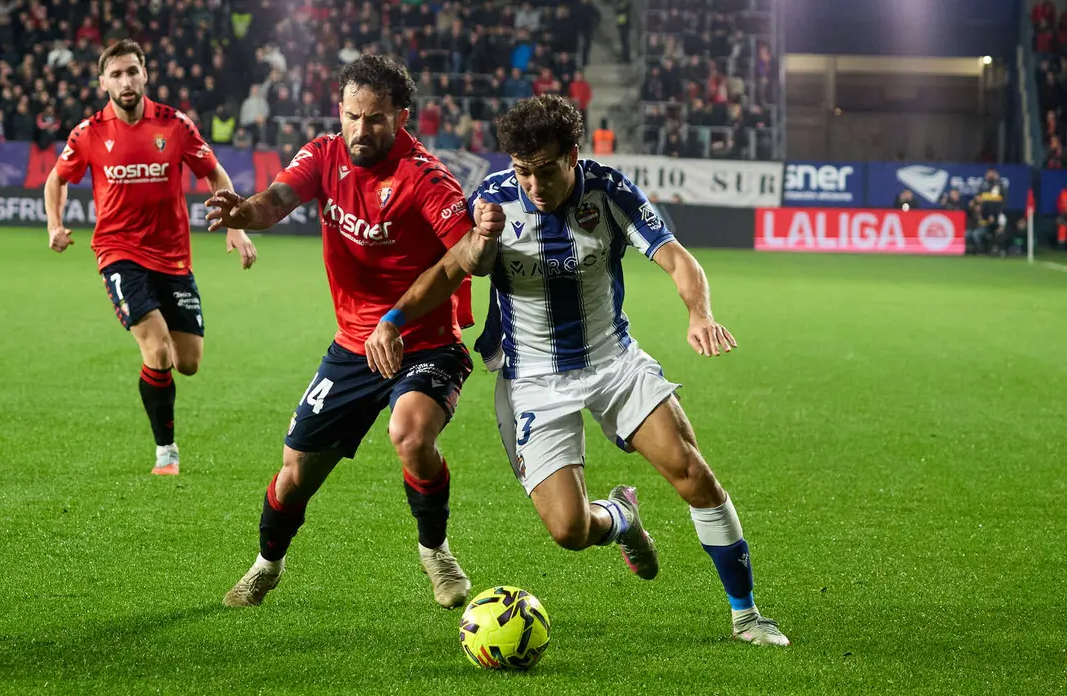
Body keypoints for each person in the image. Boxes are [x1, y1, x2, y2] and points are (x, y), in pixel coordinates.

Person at [365, 94, 790, 647]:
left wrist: (699, 313)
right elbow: (454, 268)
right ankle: (622, 518)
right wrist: (397, 316)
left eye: (545, 171)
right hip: (532, 380)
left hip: (614, 361)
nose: (534, 186)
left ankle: (747, 615)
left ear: (573, 154)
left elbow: (675, 255)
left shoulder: (608, 191)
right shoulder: (492, 201)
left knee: (692, 473)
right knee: (568, 530)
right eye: (523, 172)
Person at [206, 55, 503, 609]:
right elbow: (277, 200)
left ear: (401, 117)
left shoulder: (425, 177)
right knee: (295, 474)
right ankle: (266, 565)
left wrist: (484, 242)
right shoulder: (323, 154)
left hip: (425, 342)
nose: (360, 130)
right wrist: (243, 212)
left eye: (374, 119)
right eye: (350, 116)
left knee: (410, 434)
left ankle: (436, 551)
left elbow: (466, 257)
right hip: (351, 349)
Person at [44, 39, 258, 475]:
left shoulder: (174, 125)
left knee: (189, 363)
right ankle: (167, 452)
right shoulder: (88, 133)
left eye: (132, 71)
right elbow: (56, 179)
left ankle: (160, 399)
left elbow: (213, 171)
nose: (126, 81)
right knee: (157, 350)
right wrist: (54, 223)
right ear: (103, 82)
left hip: (174, 257)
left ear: (145, 75)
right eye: (117, 74)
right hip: (118, 253)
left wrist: (235, 223)